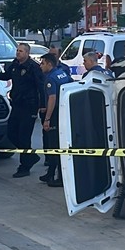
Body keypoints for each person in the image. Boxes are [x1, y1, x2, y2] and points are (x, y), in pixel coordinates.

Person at [0, 43, 46, 178]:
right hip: (17, 105)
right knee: (12, 134)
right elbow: (6, 76)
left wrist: (42, 105)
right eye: (17, 50)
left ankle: (24, 166)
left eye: (20, 51)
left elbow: (41, 87)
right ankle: (31, 156)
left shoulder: (33, 67)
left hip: (29, 106)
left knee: (24, 138)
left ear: (27, 53)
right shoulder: (15, 64)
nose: (18, 53)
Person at [38, 53, 72, 187]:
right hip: (63, 112)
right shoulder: (62, 74)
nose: (40, 66)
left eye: (42, 63)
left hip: (55, 114)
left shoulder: (50, 79)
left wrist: (47, 119)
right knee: (57, 145)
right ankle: (50, 173)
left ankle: (60, 178)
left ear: (49, 64)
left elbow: (52, 98)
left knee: (54, 146)